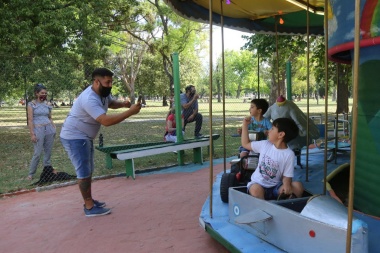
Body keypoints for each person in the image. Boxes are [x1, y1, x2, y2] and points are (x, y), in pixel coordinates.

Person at [60, 68, 141, 217]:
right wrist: (130, 112)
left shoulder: (103, 93)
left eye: (111, 82)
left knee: (88, 169)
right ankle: (89, 207)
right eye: (107, 82)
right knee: (83, 171)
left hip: (84, 137)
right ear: (97, 82)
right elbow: (106, 121)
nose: (110, 85)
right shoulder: (89, 98)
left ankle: (89, 200)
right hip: (74, 137)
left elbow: (111, 103)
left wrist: (123, 105)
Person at [241, 117, 304, 200]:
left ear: (281, 134)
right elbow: (245, 144)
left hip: (276, 187)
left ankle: (285, 203)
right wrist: (245, 125)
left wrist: (286, 185)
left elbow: (287, 176)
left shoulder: (289, 154)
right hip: (258, 184)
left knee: (298, 186)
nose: (269, 131)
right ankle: (267, 206)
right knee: (256, 190)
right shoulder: (265, 144)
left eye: (272, 129)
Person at [27, 84, 56, 180]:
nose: (44, 95)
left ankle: (47, 171)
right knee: (38, 152)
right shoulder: (31, 105)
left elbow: (50, 117)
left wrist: (53, 127)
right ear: (36, 93)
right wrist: (32, 134)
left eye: (45, 93)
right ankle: (31, 174)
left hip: (49, 129)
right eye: (42, 93)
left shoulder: (48, 104)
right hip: (38, 129)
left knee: (48, 152)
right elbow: (30, 120)